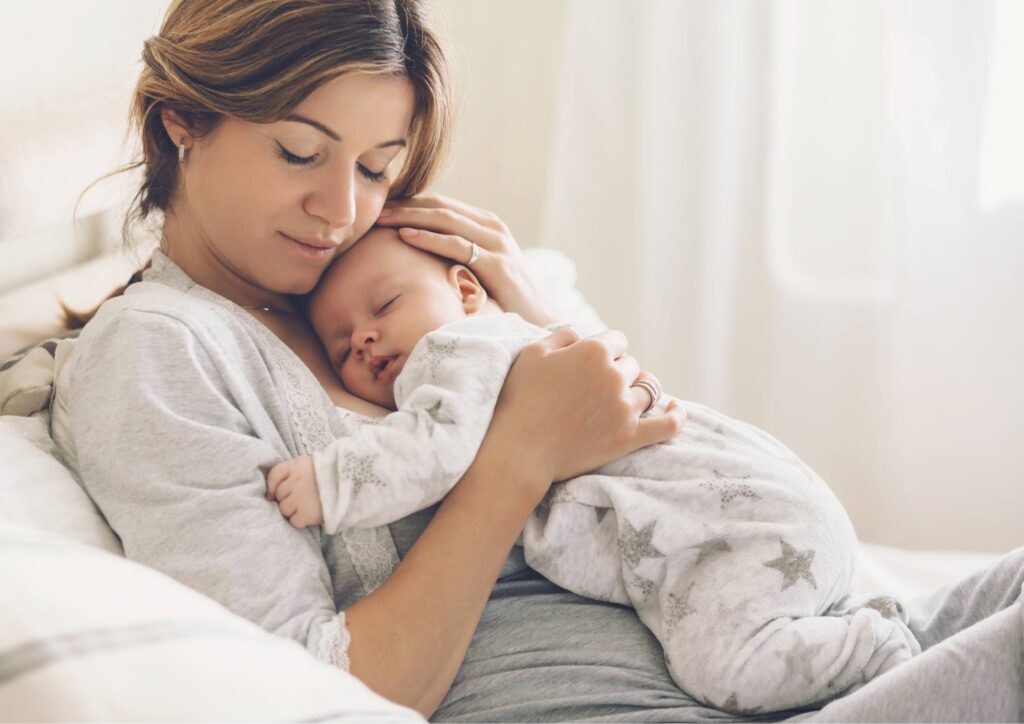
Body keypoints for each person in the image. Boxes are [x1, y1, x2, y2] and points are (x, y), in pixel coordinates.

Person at [49, 1, 1024, 721]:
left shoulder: (372, 268)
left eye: (378, 165)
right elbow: (318, 683)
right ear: (184, 120)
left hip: (772, 635)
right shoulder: (158, 358)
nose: (341, 208)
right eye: (299, 152)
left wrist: (535, 310)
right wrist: (517, 450)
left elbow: (635, 434)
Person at [265, 226, 918, 713]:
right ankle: (860, 622)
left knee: (723, 664)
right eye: (344, 345)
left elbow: (429, 452)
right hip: (766, 512)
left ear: (466, 291)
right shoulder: (531, 346)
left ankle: (878, 651)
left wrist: (332, 482)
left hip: (739, 527)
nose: (366, 340)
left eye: (382, 307)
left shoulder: (459, 351)